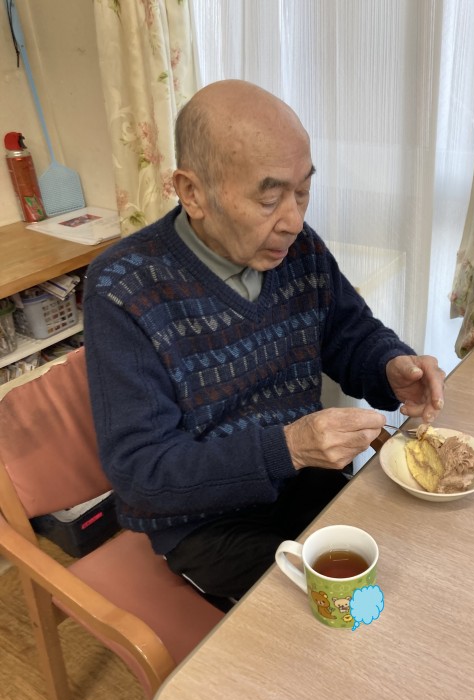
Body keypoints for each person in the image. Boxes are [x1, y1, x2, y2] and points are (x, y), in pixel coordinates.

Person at [83, 80, 446, 609]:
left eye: (303, 191)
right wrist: (288, 447)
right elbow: (142, 476)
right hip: (207, 524)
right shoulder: (124, 288)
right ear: (192, 192)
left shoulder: (298, 250)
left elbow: (349, 332)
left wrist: (389, 366)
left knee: (416, 567)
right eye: (270, 198)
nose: (294, 221)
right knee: (347, 614)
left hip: (308, 481)